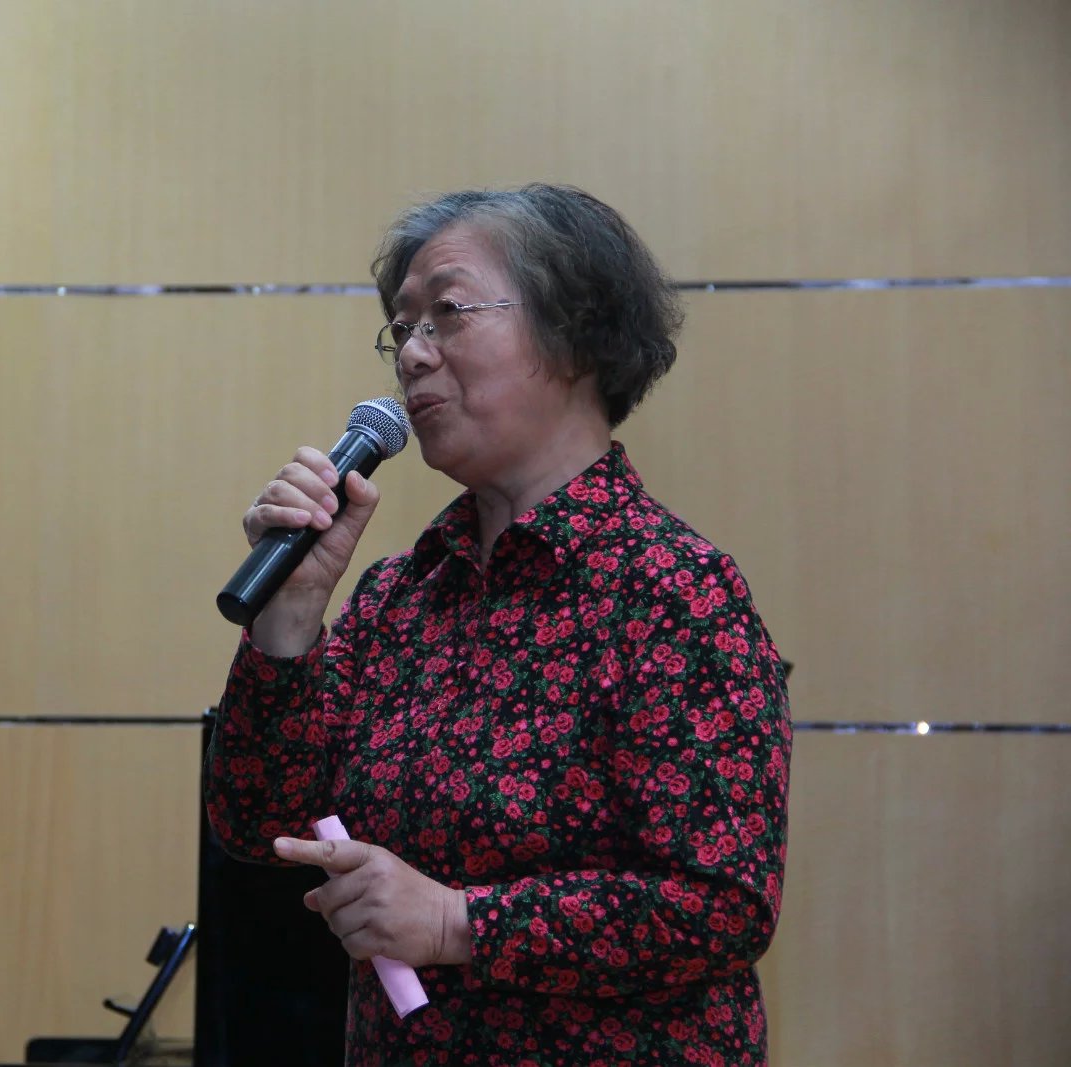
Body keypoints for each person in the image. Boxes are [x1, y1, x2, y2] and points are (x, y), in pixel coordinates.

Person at [205, 183, 791, 1066]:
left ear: (573, 333)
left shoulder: (675, 590)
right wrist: (286, 625)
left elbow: (722, 904)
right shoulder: (399, 596)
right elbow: (260, 824)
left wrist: (457, 921)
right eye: (402, 327)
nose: (412, 354)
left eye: (447, 312)